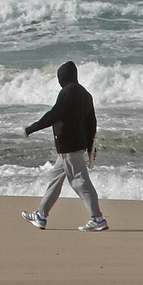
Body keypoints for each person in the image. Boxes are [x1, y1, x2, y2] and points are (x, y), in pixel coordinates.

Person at [19, 60, 107, 231]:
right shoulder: (85, 94)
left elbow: (54, 114)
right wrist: (91, 147)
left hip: (69, 146)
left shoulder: (68, 92)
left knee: (80, 182)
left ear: (62, 78)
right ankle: (41, 216)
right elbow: (92, 123)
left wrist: (32, 128)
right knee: (55, 180)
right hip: (74, 146)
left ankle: (97, 218)